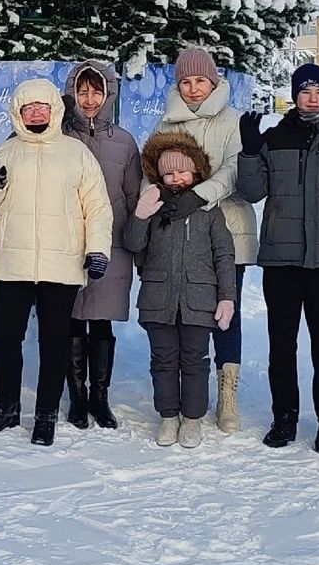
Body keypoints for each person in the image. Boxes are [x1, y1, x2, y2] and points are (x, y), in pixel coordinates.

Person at [235, 62, 319, 454]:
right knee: (282, 344)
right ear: (294, 96)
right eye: (305, 92)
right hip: (282, 260)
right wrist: (248, 150)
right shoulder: (274, 138)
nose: (312, 99)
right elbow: (252, 191)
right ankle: (285, 418)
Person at [0, 78, 113, 445]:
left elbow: (97, 207)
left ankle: (47, 414)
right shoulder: (7, 151)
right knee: (5, 340)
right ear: (19, 113)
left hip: (60, 264)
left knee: (54, 342)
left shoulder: (76, 152)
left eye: (42, 106)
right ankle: (6, 407)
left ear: (55, 110)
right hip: (13, 263)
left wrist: (97, 249)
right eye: (28, 108)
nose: (36, 112)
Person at [161, 47, 258, 433]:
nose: (194, 88)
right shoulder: (167, 124)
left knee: (224, 313)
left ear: (214, 82)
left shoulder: (232, 121)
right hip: (181, 237)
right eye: (186, 81)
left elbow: (236, 169)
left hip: (228, 230)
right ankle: (186, 394)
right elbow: (154, 167)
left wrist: (197, 196)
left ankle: (228, 395)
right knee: (187, 314)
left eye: (201, 80)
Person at [124, 133, 237, 447]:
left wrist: (227, 296)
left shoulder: (209, 211)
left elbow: (224, 254)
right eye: (168, 173)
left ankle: (192, 418)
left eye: (182, 171)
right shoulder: (153, 207)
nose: (175, 178)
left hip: (199, 300)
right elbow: (134, 245)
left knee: (194, 360)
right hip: (158, 299)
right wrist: (139, 216)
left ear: (196, 172)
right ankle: (169, 416)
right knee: (162, 359)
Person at [61, 60, 141, 430]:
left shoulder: (124, 141)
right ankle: (77, 398)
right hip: (67, 244)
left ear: (109, 94)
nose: (90, 99)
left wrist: (135, 241)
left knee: (102, 322)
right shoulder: (58, 136)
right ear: (72, 92)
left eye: (97, 91)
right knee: (73, 320)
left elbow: (132, 194)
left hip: (112, 243)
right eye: (83, 90)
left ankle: (100, 397)